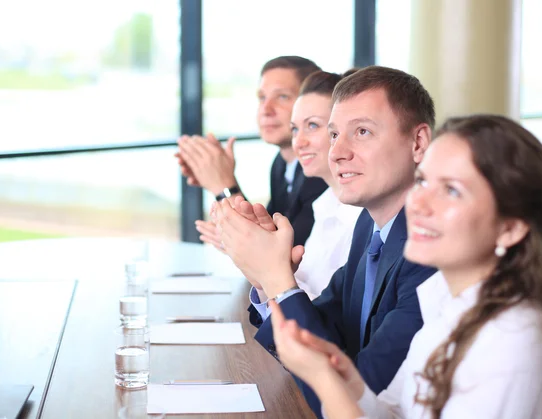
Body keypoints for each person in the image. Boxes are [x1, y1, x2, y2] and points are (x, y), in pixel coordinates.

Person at [269, 115, 542, 419]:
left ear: (510, 228)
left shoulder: (512, 339)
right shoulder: (443, 294)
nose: (418, 202)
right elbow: (397, 411)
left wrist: (323, 380)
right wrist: (347, 382)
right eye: (423, 181)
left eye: (451, 190)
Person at [215, 66, 438, 416]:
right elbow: (329, 329)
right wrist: (265, 279)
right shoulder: (370, 224)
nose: (337, 153)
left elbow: (355, 398)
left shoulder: (431, 252)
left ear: (418, 142)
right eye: (334, 134)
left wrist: (279, 282)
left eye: (362, 131)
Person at [176, 56, 327, 248]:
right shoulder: (281, 165)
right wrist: (214, 176)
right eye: (262, 97)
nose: (266, 109)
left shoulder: (319, 170)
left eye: (282, 97)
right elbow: (269, 231)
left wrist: (223, 185)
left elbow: (287, 253)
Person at [288, 70, 363, 299]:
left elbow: (330, 315)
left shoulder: (363, 218)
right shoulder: (326, 205)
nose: (298, 142)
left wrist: (274, 276)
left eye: (312, 126)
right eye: (294, 129)